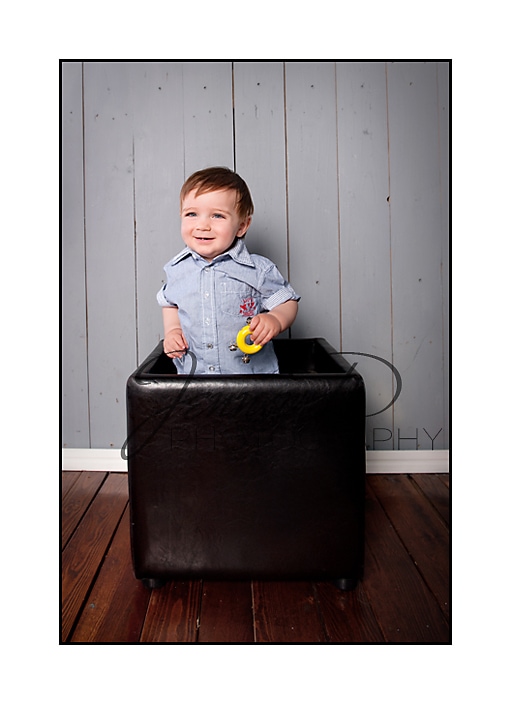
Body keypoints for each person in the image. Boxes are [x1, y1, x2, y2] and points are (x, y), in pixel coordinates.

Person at [157, 167, 299, 374]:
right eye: (191, 214)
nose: (202, 225)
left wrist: (276, 319)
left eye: (217, 216)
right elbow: (169, 303)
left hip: (250, 378)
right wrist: (173, 330)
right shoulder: (177, 269)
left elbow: (287, 302)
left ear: (242, 226)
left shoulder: (257, 269)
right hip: (196, 376)